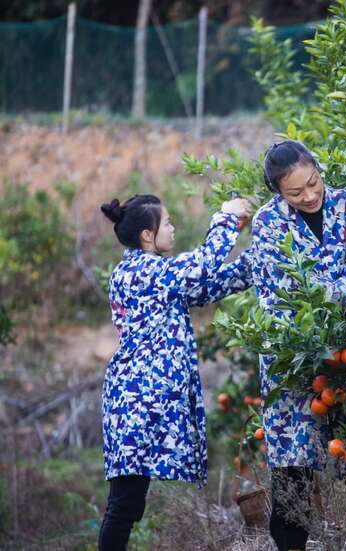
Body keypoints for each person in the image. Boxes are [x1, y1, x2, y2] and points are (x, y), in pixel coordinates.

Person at [98, 193, 252, 550]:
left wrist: (254, 262)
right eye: (167, 222)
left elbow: (205, 286)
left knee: (129, 501)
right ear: (147, 236)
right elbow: (200, 266)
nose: (173, 227)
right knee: (124, 504)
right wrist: (227, 217)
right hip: (135, 401)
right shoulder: (141, 271)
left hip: (140, 400)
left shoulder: (156, 275)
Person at [251, 140, 346, 551]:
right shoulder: (267, 223)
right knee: (294, 472)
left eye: (313, 183)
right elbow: (277, 297)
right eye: (295, 192)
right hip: (295, 365)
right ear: (277, 192)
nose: (309, 196)